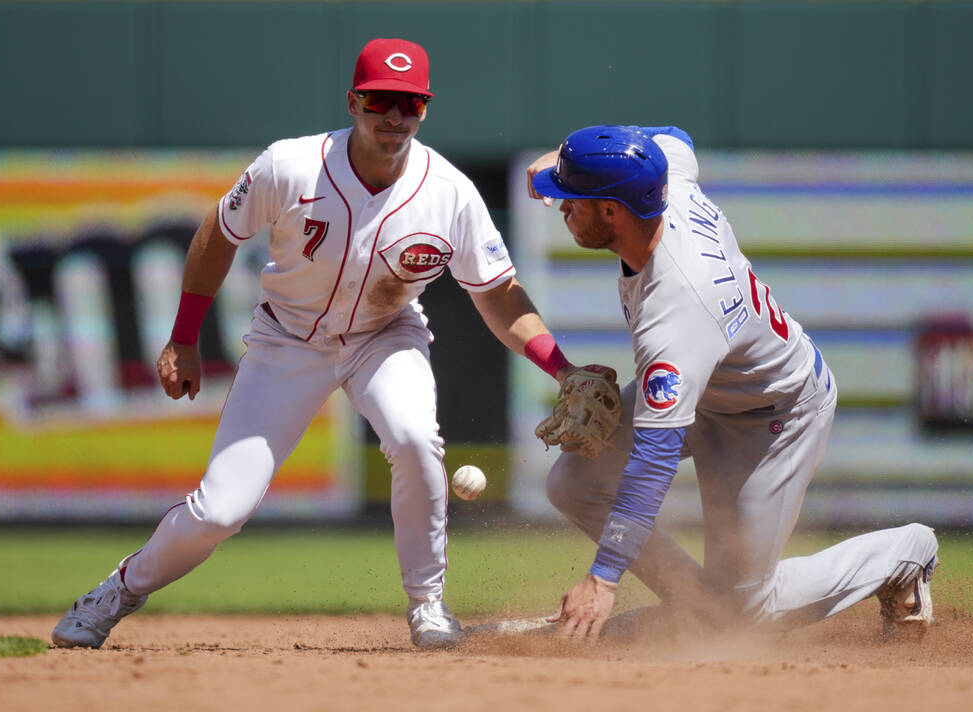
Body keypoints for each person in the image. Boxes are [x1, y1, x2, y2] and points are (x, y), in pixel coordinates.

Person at [52, 38, 597, 650]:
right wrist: (183, 336)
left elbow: (499, 294)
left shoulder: (449, 192)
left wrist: (560, 365)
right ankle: (115, 592)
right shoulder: (290, 166)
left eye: (410, 104)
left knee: (417, 440)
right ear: (353, 101)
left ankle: (428, 606)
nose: (394, 116)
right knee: (220, 512)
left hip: (384, 336)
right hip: (287, 337)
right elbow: (219, 232)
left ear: (425, 109)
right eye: (380, 100)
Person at [525, 125, 940, 641]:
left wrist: (603, 578)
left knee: (746, 613)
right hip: (714, 389)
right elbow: (672, 136)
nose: (561, 204)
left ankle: (906, 554)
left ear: (612, 210)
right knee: (574, 482)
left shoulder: (675, 311)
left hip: (774, 415)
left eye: (573, 196)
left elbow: (653, 459)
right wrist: (565, 160)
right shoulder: (663, 179)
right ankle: (701, 612)